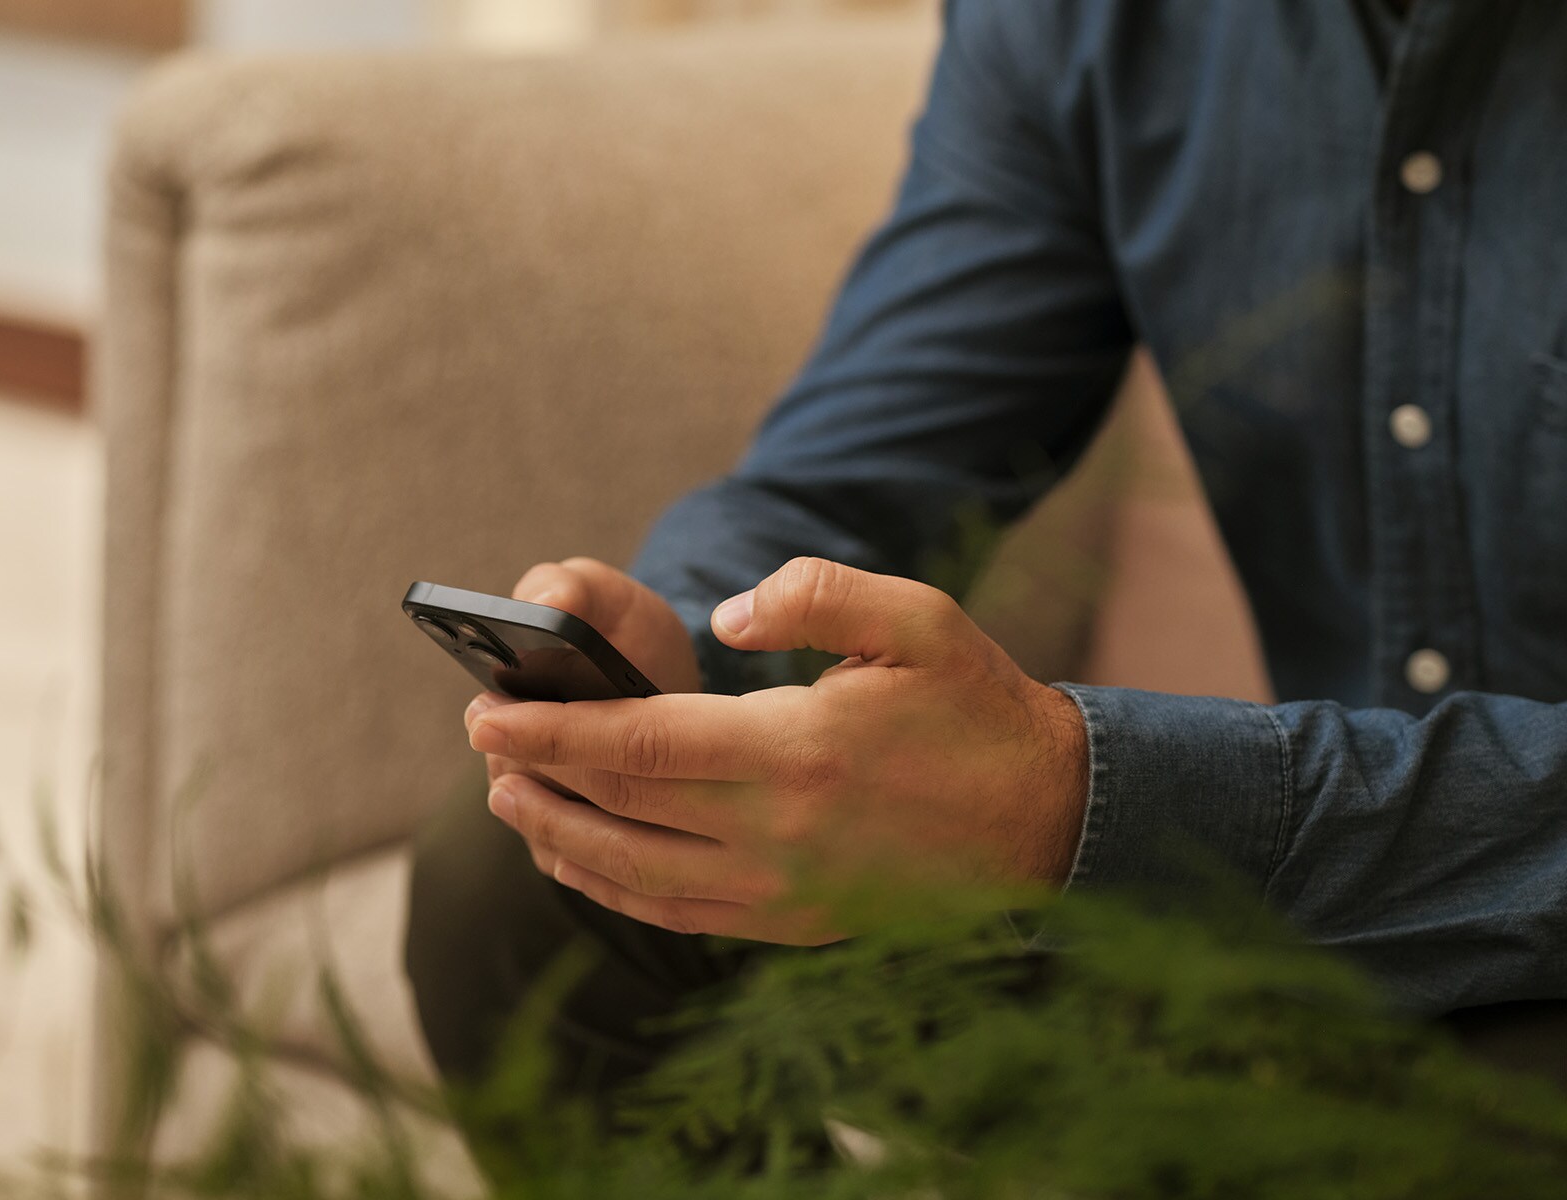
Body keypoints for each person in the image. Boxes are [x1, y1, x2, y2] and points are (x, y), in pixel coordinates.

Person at [403, 0, 1567, 1107]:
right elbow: (851, 469)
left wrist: (1079, 803)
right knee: (525, 885)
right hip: (1298, 931)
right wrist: (696, 650)